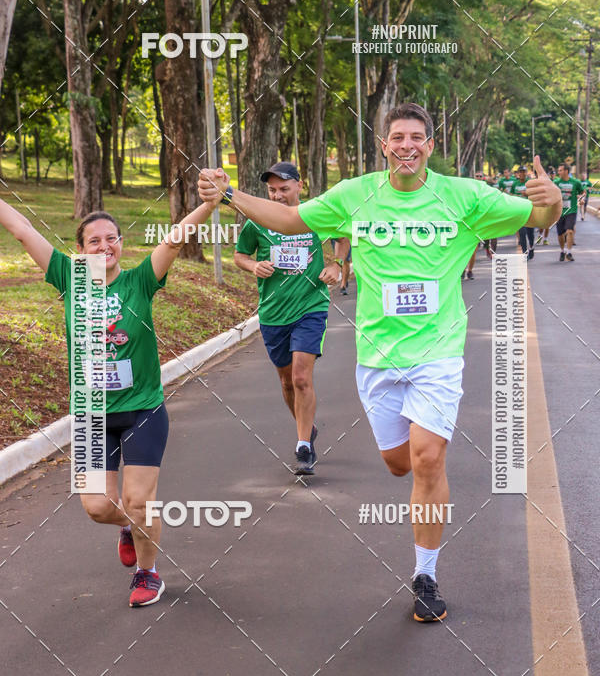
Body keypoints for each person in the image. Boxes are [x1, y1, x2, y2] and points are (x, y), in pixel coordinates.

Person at [199, 101, 562, 624]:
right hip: (377, 357)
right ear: (384, 145)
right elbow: (291, 218)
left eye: (417, 136)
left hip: (437, 354)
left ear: (430, 146)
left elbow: (537, 214)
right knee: (399, 464)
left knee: (428, 458)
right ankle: (415, 511)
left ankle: (426, 575)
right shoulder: (356, 194)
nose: (407, 145)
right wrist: (231, 194)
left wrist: (548, 205)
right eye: (398, 136)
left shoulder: (463, 196)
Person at [0, 192, 218, 607]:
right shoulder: (69, 276)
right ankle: (134, 526)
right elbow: (23, 230)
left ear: (121, 243)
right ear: (79, 251)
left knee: (139, 501)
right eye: (94, 241)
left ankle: (148, 573)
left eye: (111, 238)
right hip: (90, 416)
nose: (105, 246)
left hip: (142, 410)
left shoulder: (139, 281)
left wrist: (209, 204)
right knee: (98, 507)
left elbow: (173, 241)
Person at [233, 161, 349, 475]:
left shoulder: (315, 215)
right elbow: (240, 255)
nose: (278, 195)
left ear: (300, 185)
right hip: (273, 312)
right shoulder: (257, 221)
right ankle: (305, 427)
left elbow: (342, 236)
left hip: (311, 306)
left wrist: (337, 265)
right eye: (272, 190)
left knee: (300, 377)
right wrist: (252, 267)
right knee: (286, 382)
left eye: (284, 189)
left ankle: (303, 448)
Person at [554, 162, 583, 261]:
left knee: (570, 231)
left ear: (566, 171)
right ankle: (562, 251)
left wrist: (582, 198)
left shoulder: (575, 182)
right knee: (560, 234)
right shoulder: (556, 183)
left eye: (560, 170)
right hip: (559, 211)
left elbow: (583, 192)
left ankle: (569, 252)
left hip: (571, 210)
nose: (558, 172)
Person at [511, 167, 535, 260]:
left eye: (524, 172)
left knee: (530, 233)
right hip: (519, 211)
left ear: (526, 173)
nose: (522, 173)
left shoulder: (530, 183)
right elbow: (511, 195)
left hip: (529, 210)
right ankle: (525, 253)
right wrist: (515, 196)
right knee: (522, 233)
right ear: (518, 174)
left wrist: (527, 194)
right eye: (520, 172)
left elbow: (535, 195)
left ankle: (531, 248)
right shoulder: (515, 184)